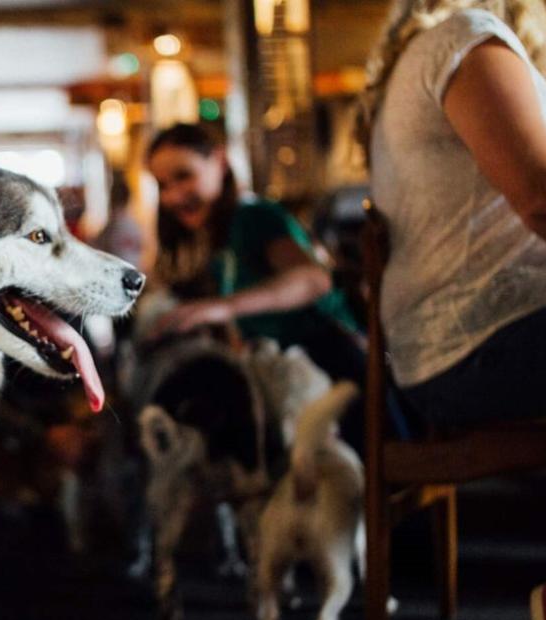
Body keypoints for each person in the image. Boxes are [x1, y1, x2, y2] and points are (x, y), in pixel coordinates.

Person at [355, 0, 546, 427]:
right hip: (484, 347)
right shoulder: (467, 38)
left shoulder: (427, 54)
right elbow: (544, 199)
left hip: (449, 356)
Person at [144, 123, 406, 448]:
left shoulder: (253, 217)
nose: (173, 195)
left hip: (334, 369)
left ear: (220, 161)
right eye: (162, 185)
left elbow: (314, 279)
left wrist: (221, 307)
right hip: (302, 384)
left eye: (183, 175)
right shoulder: (219, 236)